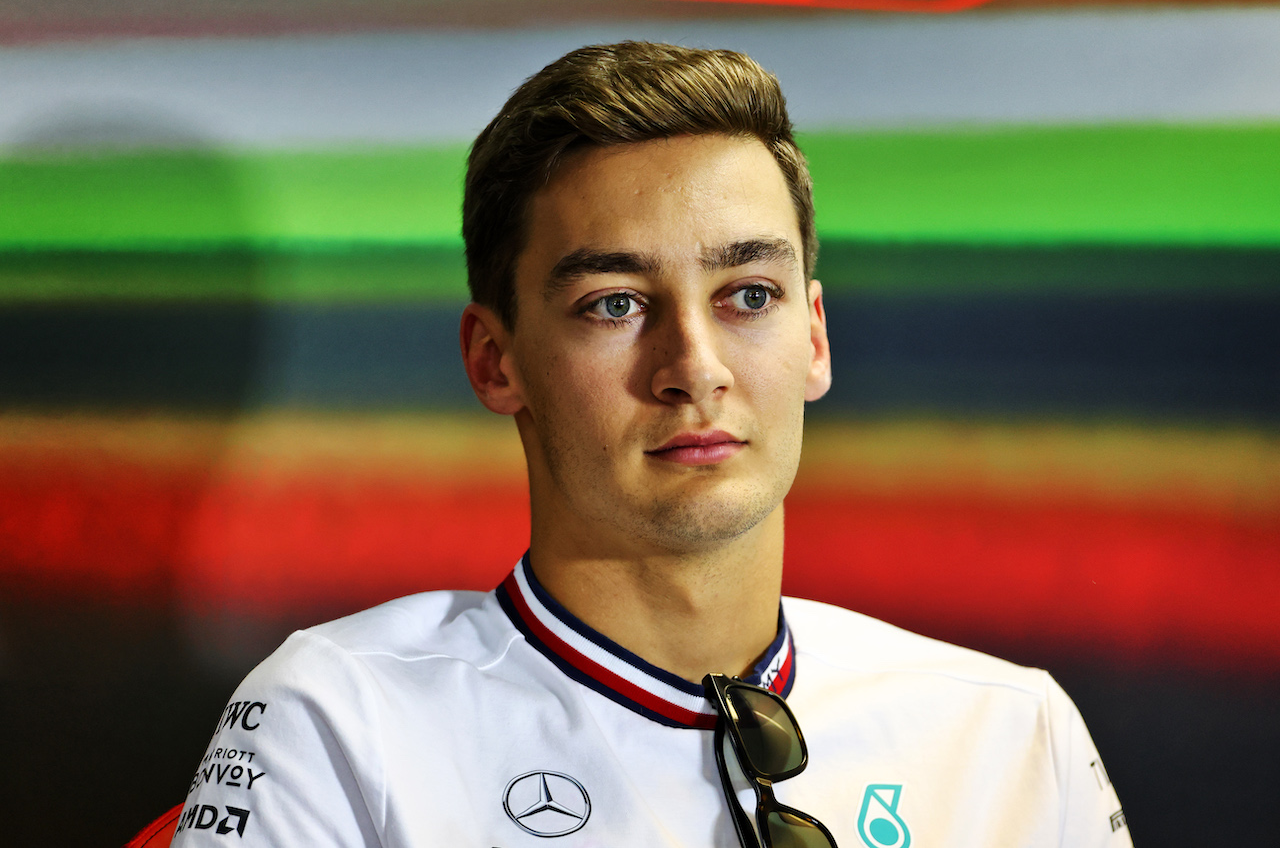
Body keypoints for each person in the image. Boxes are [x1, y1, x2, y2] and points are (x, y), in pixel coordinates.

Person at [171, 41, 1130, 847]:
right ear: (495, 360)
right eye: (616, 304)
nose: (694, 367)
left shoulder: (1012, 734)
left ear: (815, 337)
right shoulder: (342, 722)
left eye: (748, 294)